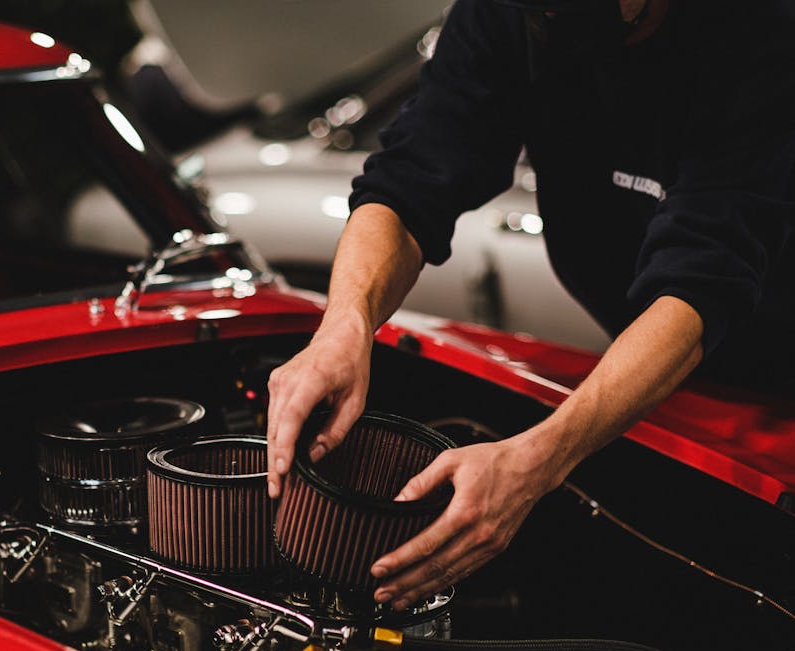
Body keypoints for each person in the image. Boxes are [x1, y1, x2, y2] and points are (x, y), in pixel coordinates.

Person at [265, 0, 795, 611]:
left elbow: (702, 278)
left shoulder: (759, 33)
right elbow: (409, 184)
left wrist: (536, 463)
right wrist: (344, 326)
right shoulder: (509, 14)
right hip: (673, 375)